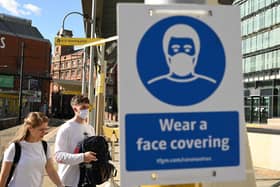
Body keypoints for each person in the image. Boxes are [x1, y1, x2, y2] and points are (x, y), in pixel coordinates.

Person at [0, 112, 64, 187]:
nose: (44, 133)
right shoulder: (15, 147)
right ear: (30, 128)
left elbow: (50, 170)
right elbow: (4, 176)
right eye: (41, 130)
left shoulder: (44, 146)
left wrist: (61, 185)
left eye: (46, 129)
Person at [148, 24, 216, 85]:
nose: (181, 54)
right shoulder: (155, 85)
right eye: (175, 49)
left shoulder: (208, 84)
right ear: (166, 53)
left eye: (187, 49)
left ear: (196, 52)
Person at [54, 95, 97, 187]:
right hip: (69, 181)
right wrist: (82, 157)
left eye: (88, 107)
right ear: (75, 109)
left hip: (88, 180)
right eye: (83, 107)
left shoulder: (90, 128)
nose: (86, 110)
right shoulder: (66, 128)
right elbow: (58, 156)